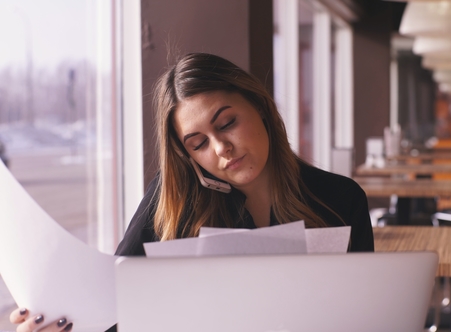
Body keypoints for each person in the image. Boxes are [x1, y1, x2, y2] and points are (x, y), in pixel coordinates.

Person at [10, 52, 374, 332]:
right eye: (198, 143)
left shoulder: (340, 198)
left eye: (227, 123)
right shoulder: (172, 202)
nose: (220, 149)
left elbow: (366, 315)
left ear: (261, 107)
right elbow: (116, 308)